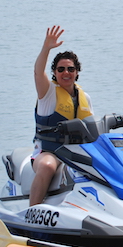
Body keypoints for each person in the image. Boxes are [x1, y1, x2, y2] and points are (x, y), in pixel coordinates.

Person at [30, 26, 93, 205]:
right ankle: (32, 210)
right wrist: (46, 48)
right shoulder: (47, 92)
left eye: (70, 69)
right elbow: (37, 72)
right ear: (55, 73)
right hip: (49, 152)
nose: (66, 72)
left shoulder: (85, 98)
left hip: (76, 152)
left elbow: (93, 128)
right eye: (61, 69)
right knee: (47, 166)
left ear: (77, 72)